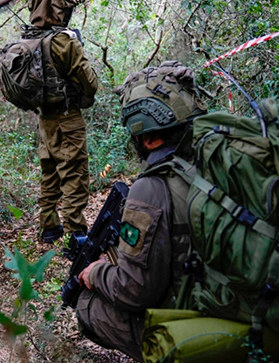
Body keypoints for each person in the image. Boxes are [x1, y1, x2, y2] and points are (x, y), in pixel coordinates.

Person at [75, 62, 207, 361]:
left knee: (86, 303)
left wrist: (96, 272)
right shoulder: (220, 160)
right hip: (251, 305)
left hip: (205, 322)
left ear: (146, 138)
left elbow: (135, 291)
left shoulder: (151, 187)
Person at [24, 0, 99, 243]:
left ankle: (49, 227)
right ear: (60, 9)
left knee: (50, 171)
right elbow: (90, 82)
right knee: (74, 173)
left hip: (45, 119)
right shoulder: (64, 41)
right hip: (68, 117)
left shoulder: (30, 39)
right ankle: (76, 236)